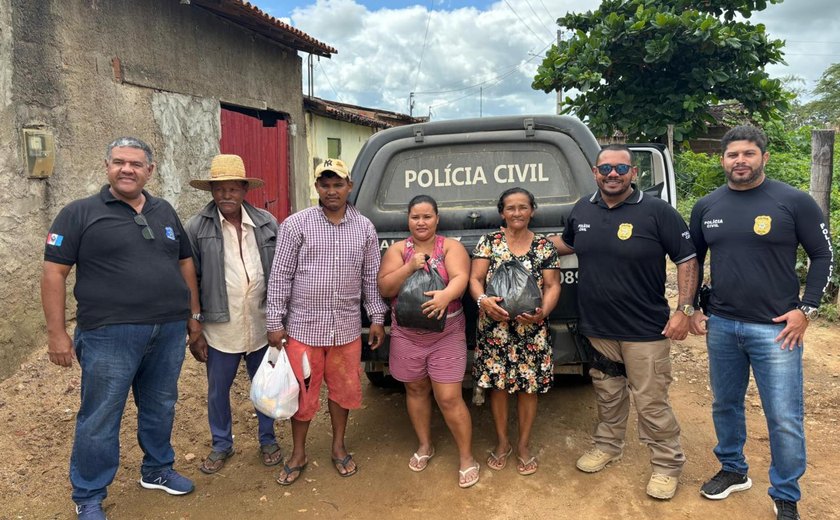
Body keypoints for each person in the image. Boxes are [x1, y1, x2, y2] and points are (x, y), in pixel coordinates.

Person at [41, 137, 200, 520]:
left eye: (135, 163)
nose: (126, 169)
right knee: (102, 413)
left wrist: (193, 316)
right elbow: (54, 272)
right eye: (118, 162)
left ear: (150, 170)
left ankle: (157, 469)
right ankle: (89, 493)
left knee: (161, 404)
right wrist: (57, 333)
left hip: (167, 331)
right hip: (109, 334)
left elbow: (184, 264)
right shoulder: (78, 213)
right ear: (107, 166)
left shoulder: (165, 212)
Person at [689, 126, 834, 520]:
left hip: (777, 330)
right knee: (725, 404)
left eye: (749, 154)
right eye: (733, 154)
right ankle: (734, 470)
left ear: (764, 157)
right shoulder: (707, 206)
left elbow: (823, 255)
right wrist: (693, 307)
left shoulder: (794, 201)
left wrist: (808, 308)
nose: (740, 161)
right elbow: (693, 261)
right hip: (722, 324)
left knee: (784, 415)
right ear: (722, 159)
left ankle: (786, 493)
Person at [552, 143, 698, 500]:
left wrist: (685, 309)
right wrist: (521, 244)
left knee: (650, 400)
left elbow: (688, 259)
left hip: (644, 330)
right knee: (607, 392)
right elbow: (566, 244)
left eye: (621, 168)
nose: (612, 175)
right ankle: (608, 445)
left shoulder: (657, 212)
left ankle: (666, 464)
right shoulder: (582, 209)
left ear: (634, 173)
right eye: (605, 169)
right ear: (595, 173)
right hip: (598, 327)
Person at [266, 158, 388, 486]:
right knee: (303, 394)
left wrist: (377, 317)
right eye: (325, 184)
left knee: (344, 391)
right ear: (316, 187)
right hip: (303, 329)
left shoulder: (364, 228)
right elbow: (280, 276)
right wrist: (274, 321)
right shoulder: (296, 224)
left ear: (350, 187)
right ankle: (299, 452)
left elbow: (370, 278)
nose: (331, 191)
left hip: (346, 329)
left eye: (338, 184)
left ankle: (338, 447)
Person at [184, 154, 282, 474]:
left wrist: (280, 319)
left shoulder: (266, 222)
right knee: (218, 389)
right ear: (211, 191)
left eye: (233, 188)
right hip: (219, 326)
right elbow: (190, 279)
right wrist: (195, 326)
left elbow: (279, 273)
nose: (226, 195)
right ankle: (221, 444)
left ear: (244, 190)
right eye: (219, 189)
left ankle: (267, 439)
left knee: (264, 385)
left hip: (260, 322)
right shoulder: (197, 227)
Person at [377, 195, 479, 488]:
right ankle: (425, 445)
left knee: (448, 397)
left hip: (446, 335)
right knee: (416, 389)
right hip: (407, 336)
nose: (421, 222)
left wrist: (446, 296)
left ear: (437, 218)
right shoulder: (398, 251)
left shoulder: (450, 247)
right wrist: (409, 267)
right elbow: (385, 287)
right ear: (408, 220)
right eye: (415, 217)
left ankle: (466, 456)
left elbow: (461, 278)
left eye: (427, 217)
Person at [469, 187, 561, 476]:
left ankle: (522, 445)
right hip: (495, 329)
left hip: (531, 331)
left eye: (523, 207)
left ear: (532, 210)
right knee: (498, 387)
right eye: (511, 208)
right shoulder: (490, 242)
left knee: (527, 388)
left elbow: (553, 285)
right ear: (502, 213)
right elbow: (475, 278)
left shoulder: (544, 246)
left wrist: (542, 313)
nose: (517, 213)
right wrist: (483, 301)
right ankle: (502, 443)